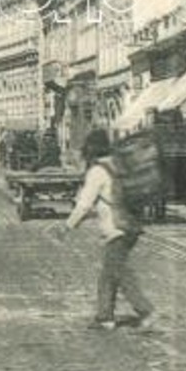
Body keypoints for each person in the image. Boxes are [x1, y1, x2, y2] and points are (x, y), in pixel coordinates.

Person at [65, 128, 153, 332]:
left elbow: (85, 204)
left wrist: (68, 225)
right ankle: (104, 317)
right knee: (108, 273)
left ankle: (146, 311)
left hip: (116, 227)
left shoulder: (98, 171)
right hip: (131, 223)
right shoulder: (120, 164)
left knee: (119, 272)